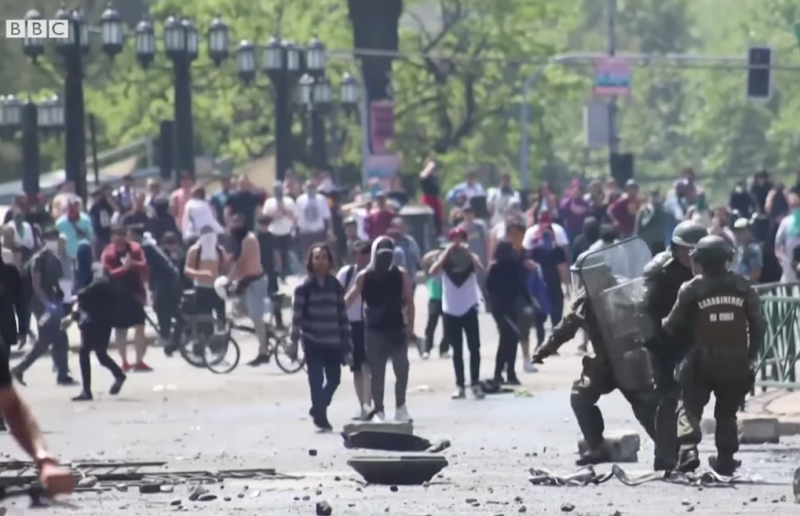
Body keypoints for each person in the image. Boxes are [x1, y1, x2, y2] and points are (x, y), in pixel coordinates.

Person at [532, 258, 657, 466]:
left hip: (631, 360)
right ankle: (596, 447)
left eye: (585, 277)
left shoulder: (626, 291)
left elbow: (649, 316)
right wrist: (546, 349)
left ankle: (669, 450)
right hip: (604, 364)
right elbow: (567, 326)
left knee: (645, 405)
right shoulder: (587, 301)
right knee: (581, 396)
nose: (582, 283)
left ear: (598, 275)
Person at [662, 235, 766, 476]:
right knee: (727, 412)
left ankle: (688, 449)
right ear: (727, 259)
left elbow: (671, 324)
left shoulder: (691, 289)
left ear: (698, 260)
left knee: (688, 405)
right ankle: (726, 458)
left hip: (701, 362)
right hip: (736, 362)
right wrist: (750, 355)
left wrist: (663, 326)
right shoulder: (743, 286)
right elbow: (759, 325)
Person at [643, 220, 709, 470]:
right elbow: (644, 311)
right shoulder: (658, 270)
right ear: (676, 248)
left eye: (697, 251)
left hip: (692, 338)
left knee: (691, 396)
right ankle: (665, 455)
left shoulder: (707, 267)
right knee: (669, 396)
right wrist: (656, 343)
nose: (692, 257)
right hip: (662, 340)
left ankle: (685, 451)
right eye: (687, 251)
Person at [345, 237, 415, 422]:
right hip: (374, 330)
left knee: (402, 369)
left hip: (396, 328)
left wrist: (411, 326)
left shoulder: (401, 274)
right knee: (377, 372)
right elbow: (350, 299)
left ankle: (401, 407)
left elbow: (409, 301)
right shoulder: (364, 276)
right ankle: (379, 410)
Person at [291, 243, 352, 431]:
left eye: (324, 257)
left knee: (334, 379)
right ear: (311, 261)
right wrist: (293, 342)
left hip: (333, 340)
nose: (320, 261)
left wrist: (347, 345)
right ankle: (321, 417)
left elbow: (342, 315)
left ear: (329, 260)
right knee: (315, 379)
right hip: (312, 340)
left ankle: (318, 406)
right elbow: (297, 316)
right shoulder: (304, 287)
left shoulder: (335, 285)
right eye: (316, 257)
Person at [429, 227, 486, 400]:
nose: (458, 242)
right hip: (451, 310)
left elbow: (482, 271)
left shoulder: (470, 259)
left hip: (469, 307)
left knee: (474, 347)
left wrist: (470, 254)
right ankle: (460, 385)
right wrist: (446, 253)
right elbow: (432, 272)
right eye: (455, 239)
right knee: (457, 350)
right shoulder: (445, 260)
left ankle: (475, 383)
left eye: (461, 238)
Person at [13, 228, 74, 386]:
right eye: (50, 238)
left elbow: (56, 283)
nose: (53, 241)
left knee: (57, 336)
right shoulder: (38, 259)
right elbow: (36, 285)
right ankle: (21, 368)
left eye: (55, 238)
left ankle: (61, 372)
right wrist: (47, 303)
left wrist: (62, 299)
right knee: (49, 338)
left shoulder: (55, 259)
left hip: (52, 300)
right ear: (43, 240)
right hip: (39, 301)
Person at [70, 262, 127, 401]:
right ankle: (119, 375)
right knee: (100, 354)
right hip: (103, 320)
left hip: (94, 320)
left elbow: (90, 290)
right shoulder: (103, 278)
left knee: (85, 353)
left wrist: (80, 296)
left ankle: (86, 391)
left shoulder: (96, 275)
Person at [101, 226, 150, 372]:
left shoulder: (135, 248)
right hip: (117, 296)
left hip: (136, 294)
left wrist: (132, 264)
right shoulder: (108, 253)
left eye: (123, 234)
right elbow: (107, 273)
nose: (121, 238)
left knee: (140, 328)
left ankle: (139, 361)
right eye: (117, 235)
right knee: (121, 330)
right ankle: (124, 361)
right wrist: (124, 269)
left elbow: (144, 264)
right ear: (112, 237)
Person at [227, 214, 271, 366]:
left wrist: (229, 280)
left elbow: (242, 263)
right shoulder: (242, 240)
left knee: (256, 317)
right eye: (233, 223)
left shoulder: (249, 240)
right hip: (248, 281)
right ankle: (265, 333)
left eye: (238, 223)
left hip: (255, 282)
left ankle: (263, 352)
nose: (234, 226)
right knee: (241, 310)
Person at [486, 240, 532, 385]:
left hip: (513, 308)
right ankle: (500, 373)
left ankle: (509, 373)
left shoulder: (514, 266)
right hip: (500, 310)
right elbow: (489, 289)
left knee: (510, 340)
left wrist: (530, 302)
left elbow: (521, 286)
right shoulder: (495, 268)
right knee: (507, 338)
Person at [337, 241, 372, 420]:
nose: (363, 259)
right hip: (353, 324)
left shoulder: (376, 273)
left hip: (372, 323)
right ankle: (363, 406)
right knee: (357, 367)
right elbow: (339, 298)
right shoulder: (346, 273)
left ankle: (372, 404)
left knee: (371, 367)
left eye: (366, 255)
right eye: (359, 255)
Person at [421, 246, 448, 359]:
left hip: (447, 298)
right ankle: (427, 349)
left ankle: (444, 349)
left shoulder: (449, 266)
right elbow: (425, 259)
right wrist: (438, 254)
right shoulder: (433, 266)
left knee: (448, 326)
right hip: (435, 298)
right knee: (431, 325)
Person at [262, 184, 296, 275]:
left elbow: (294, 216)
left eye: (279, 189)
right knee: (275, 253)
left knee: (284, 252)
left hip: (286, 230)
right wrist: (274, 216)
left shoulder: (289, 201)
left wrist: (284, 210)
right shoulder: (269, 202)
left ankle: (284, 272)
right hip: (273, 231)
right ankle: (277, 271)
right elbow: (265, 217)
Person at [88, 187, 116, 255]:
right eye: (94, 196)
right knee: (98, 247)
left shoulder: (106, 204)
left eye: (97, 196)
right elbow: (91, 217)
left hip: (107, 229)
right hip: (97, 230)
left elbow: (114, 211)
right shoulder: (93, 206)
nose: (96, 198)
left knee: (107, 246)